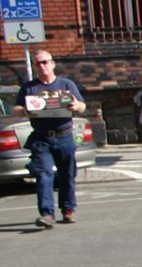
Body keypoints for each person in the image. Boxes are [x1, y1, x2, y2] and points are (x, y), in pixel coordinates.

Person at [13, 50, 87, 228]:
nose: (42, 66)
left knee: (67, 174)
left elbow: (82, 106)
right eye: (38, 63)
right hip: (41, 138)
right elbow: (16, 109)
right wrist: (24, 111)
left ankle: (68, 209)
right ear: (34, 66)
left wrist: (76, 105)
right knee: (43, 174)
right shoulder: (29, 88)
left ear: (52, 64)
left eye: (45, 62)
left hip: (64, 135)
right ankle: (47, 214)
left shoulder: (66, 84)